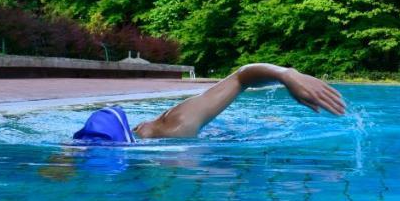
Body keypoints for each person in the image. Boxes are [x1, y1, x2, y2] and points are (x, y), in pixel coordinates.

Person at [71, 63, 346, 144]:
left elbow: (242, 77)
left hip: (223, 134)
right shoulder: (82, 149)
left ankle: (271, 122)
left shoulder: (173, 127)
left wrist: (286, 75)